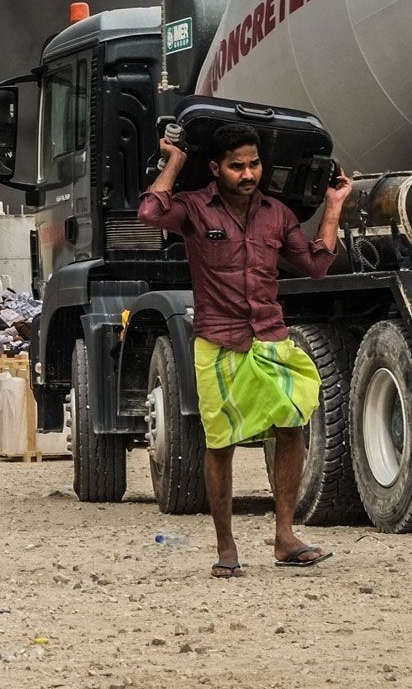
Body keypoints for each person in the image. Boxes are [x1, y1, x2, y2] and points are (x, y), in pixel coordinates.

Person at [139, 122, 350, 578]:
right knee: (222, 443)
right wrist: (175, 160)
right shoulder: (194, 209)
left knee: (293, 424)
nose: (248, 173)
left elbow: (315, 265)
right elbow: (151, 213)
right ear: (216, 169)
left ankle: (285, 537)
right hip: (218, 343)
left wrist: (333, 207)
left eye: (254, 163)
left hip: (271, 339)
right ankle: (226, 546)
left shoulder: (277, 214)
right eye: (237, 166)